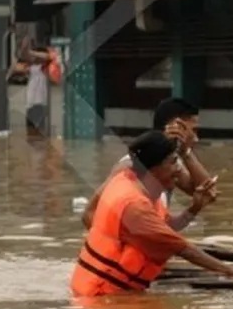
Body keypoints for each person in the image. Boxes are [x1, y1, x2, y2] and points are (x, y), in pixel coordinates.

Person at [71, 130, 233, 296]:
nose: (178, 169)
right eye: (173, 162)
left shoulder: (132, 182)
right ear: (153, 168)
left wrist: (194, 209)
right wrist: (231, 270)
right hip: (102, 297)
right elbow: (182, 248)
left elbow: (165, 230)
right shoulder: (133, 206)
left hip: (111, 292)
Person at [81, 98, 212, 230]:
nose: (196, 139)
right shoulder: (130, 166)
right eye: (193, 131)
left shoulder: (170, 165)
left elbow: (207, 193)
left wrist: (185, 152)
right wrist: (125, 243)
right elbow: (89, 215)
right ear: (176, 127)